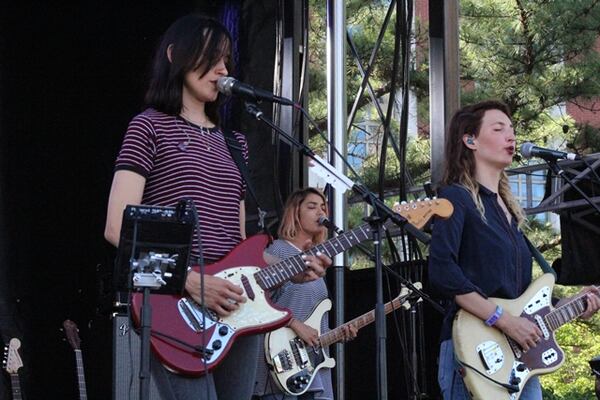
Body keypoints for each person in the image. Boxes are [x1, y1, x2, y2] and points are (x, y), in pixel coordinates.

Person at [104, 15, 330, 400]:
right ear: (176, 56)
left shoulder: (236, 144)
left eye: (226, 59)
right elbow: (118, 228)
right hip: (176, 304)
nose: (223, 69)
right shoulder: (149, 127)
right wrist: (191, 282)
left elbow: (241, 246)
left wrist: (293, 269)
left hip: (237, 308)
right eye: (212, 57)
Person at [427, 100, 600, 400]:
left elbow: (519, 297)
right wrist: (504, 320)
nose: (511, 136)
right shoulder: (455, 197)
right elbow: (442, 272)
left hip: (521, 361)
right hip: (475, 350)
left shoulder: (508, 211)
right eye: (498, 128)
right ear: (470, 140)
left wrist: (571, 304)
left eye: (512, 130)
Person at [253, 188, 356, 400]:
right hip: (280, 363)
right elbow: (257, 303)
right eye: (311, 207)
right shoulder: (278, 250)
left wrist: (335, 334)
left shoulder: (315, 259)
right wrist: (295, 324)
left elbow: (313, 321)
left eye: (323, 207)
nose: (320, 212)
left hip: (313, 365)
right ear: (294, 213)